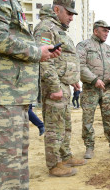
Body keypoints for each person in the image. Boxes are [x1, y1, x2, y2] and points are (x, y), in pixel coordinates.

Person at [0, 0, 61, 190]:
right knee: (2, 152)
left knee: (18, 148)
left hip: (14, 91)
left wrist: (43, 53)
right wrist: (36, 51)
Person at [33, 1, 86, 177]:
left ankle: (65, 156)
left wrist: (72, 80)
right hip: (54, 86)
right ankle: (54, 164)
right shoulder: (45, 28)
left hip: (63, 85)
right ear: (57, 10)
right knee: (55, 127)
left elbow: (63, 59)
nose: (71, 18)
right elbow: (45, 61)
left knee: (65, 125)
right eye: (69, 14)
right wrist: (55, 87)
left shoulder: (58, 29)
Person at [76, 20, 110, 159]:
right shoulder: (84, 46)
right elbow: (79, 65)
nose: (107, 33)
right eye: (104, 30)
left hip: (107, 90)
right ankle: (89, 147)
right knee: (88, 119)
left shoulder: (109, 49)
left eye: (108, 31)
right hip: (90, 88)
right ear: (95, 31)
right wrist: (94, 79)